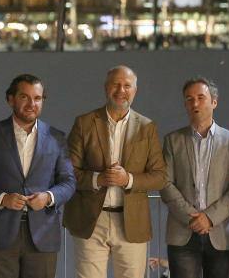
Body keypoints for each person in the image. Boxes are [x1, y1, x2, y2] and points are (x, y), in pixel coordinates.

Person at [0, 74, 76, 278]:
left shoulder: (57, 137)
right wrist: (2, 198)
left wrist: (48, 197)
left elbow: (68, 182)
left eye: (38, 98)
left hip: (43, 235)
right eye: (24, 97)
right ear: (10, 99)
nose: (32, 103)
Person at [62, 65, 167, 278]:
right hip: (91, 219)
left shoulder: (147, 127)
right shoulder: (84, 123)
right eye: (115, 84)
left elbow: (160, 176)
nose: (121, 90)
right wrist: (98, 179)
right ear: (105, 88)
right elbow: (68, 171)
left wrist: (127, 179)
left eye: (127, 85)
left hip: (132, 222)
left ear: (135, 91)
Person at [160, 77, 229, 278]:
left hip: (221, 232)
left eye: (200, 98)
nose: (195, 103)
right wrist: (192, 218)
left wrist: (209, 218)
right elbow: (165, 183)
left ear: (214, 102)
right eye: (189, 99)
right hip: (182, 232)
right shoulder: (172, 140)